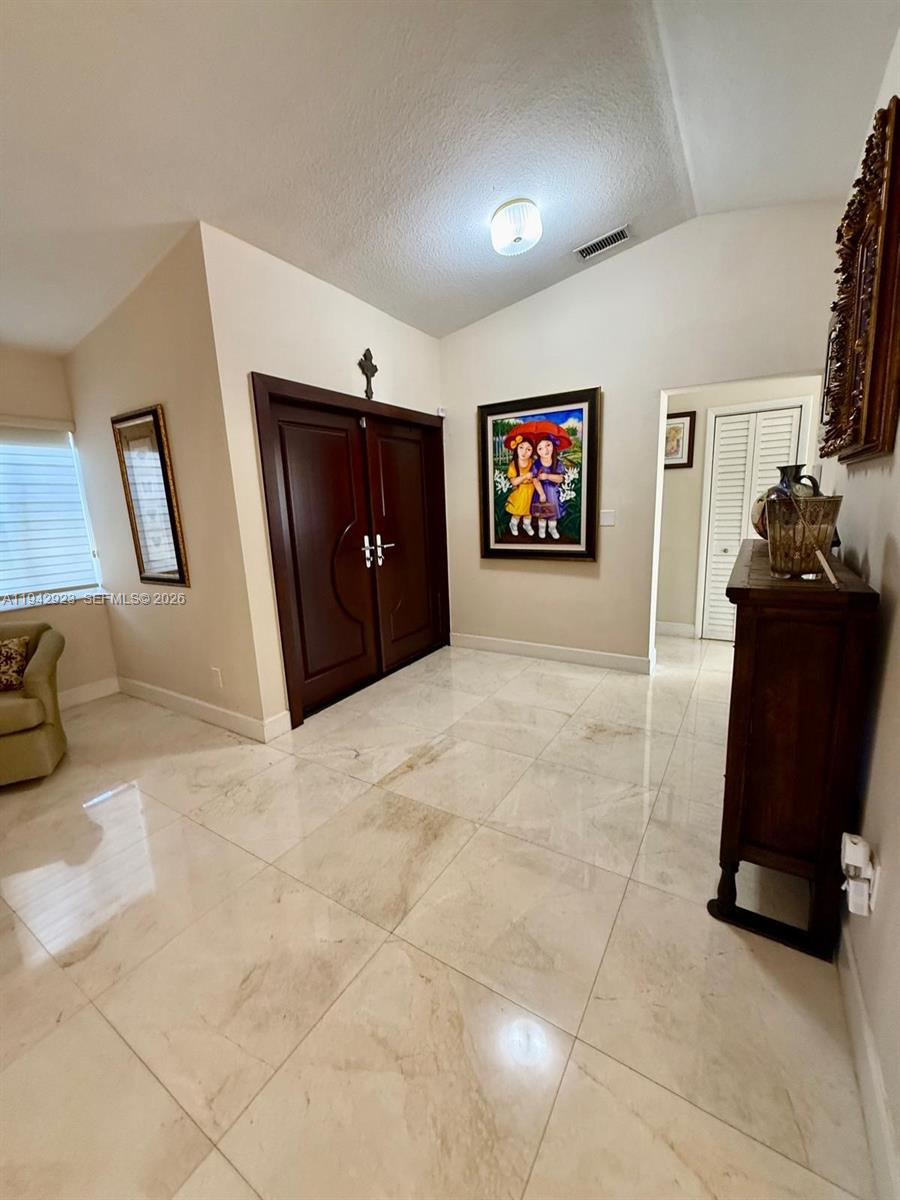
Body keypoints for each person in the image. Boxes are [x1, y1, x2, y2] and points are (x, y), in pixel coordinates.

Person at [505, 435, 544, 536]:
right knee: (517, 511)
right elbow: (513, 482)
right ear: (516, 448)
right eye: (521, 447)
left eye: (528, 449)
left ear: (532, 451)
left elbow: (536, 477)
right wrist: (524, 476)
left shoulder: (533, 463)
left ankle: (526, 525)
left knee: (528, 512)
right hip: (519, 492)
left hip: (531, 491)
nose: (524, 452)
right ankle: (513, 524)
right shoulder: (514, 464)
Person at [531, 435, 566, 539]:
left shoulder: (558, 463)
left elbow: (560, 478)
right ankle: (542, 529)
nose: (545, 450)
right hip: (541, 491)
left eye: (548, 445)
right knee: (542, 513)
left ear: (553, 446)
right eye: (540, 448)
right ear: (537, 451)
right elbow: (534, 479)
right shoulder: (536, 464)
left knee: (553, 514)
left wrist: (547, 476)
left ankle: (552, 528)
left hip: (553, 492)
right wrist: (541, 493)